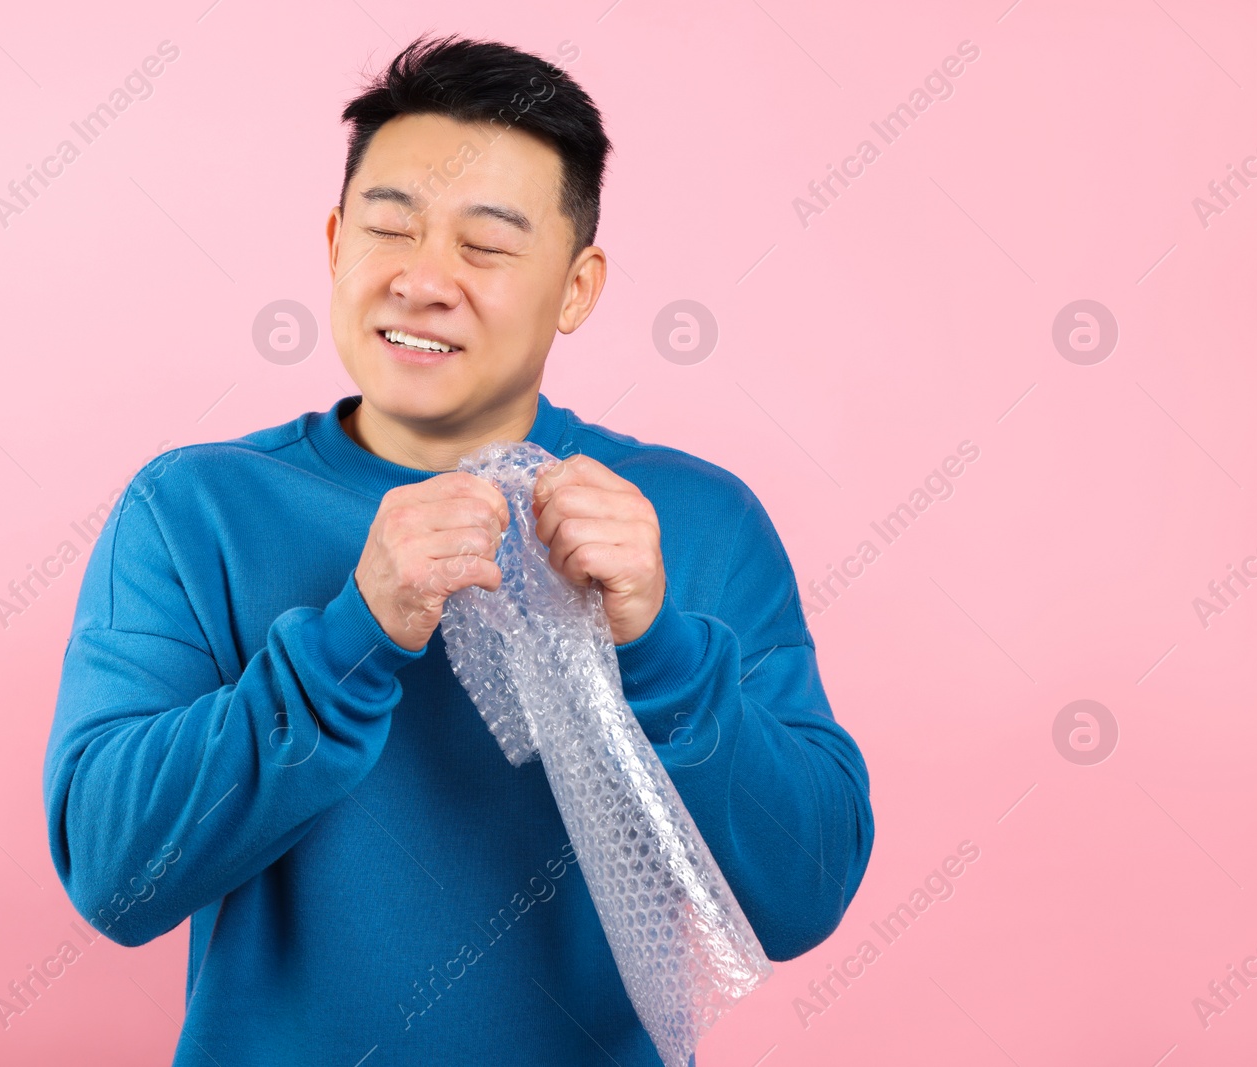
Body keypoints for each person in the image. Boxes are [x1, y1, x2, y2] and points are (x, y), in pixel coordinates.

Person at [43, 33, 874, 1066]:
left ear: (575, 288)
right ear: (337, 243)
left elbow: (804, 892)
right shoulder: (193, 510)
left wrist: (656, 647)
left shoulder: (696, 523)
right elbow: (115, 875)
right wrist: (352, 637)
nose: (424, 280)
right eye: (390, 229)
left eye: (485, 247)